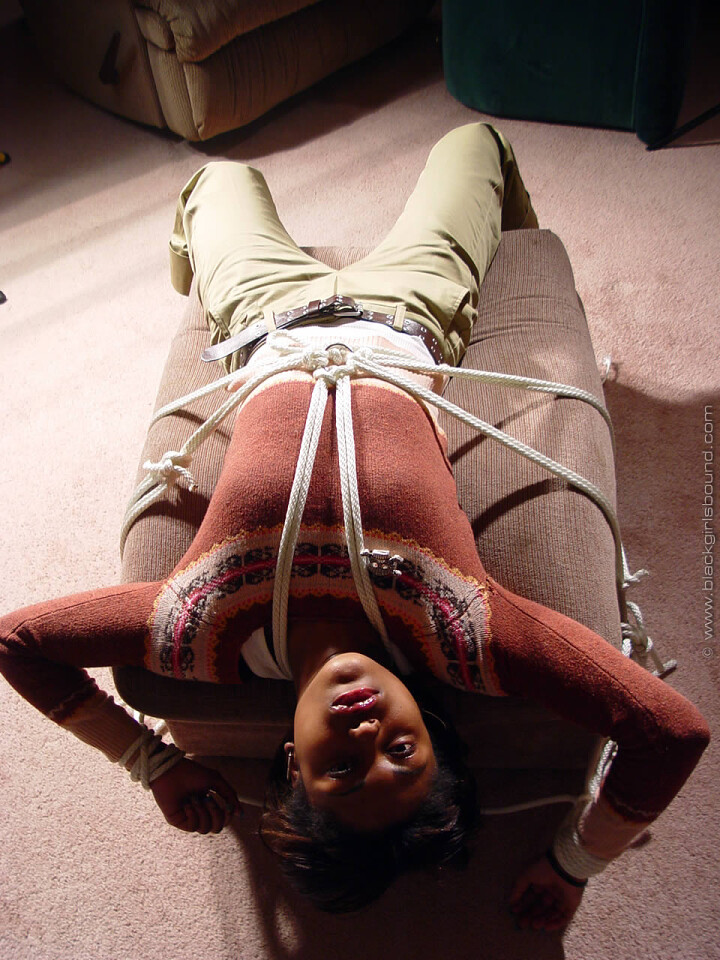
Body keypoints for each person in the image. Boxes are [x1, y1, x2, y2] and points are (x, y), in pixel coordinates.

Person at [0, 125, 710, 932]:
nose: (366, 732)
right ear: (431, 733)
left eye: (342, 768)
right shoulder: (465, 631)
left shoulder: (199, 628)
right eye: (400, 753)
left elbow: (16, 642)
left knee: (217, 178)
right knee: (475, 141)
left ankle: (196, 288)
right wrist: (576, 860)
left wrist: (149, 761)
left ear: (293, 763)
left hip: (264, 317)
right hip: (412, 311)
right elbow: (672, 732)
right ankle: (518, 256)